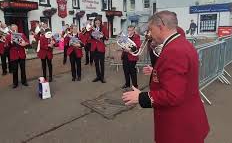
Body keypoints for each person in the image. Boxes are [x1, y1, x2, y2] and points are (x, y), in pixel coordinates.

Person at [122, 11, 209, 143]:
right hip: (188, 118)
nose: (150, 34)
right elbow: (179, 78)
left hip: (178, 126)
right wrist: (156, 72)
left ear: (161, 26)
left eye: (151, 29)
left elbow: (173, 95)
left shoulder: (173, 50)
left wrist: (141, 97)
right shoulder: (181, 43)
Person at [6, 24, 29, 88]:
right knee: (15, 70)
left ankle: (24, 81)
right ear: (11, 29)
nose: (15, 30)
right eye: (13, 29)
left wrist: (25, 44)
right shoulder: (8, 36)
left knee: (23, 69)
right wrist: (10, 42)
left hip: (21, 54)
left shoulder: (21, 35)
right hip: (14, 55)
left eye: (16, 28)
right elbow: (6, 47)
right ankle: (15, 83)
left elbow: (27, 42)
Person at [90, 17, 109, 83]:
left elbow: (107, 38)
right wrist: (91, 35)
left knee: (101, 63)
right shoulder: (91, 28)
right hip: (94, 48)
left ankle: (102, 77)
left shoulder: (103, 28)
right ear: (94, 22)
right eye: (96, 22)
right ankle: (98, 76)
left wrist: (102, 36)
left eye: (98, 22)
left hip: (101, 48)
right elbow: (89, 38)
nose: (97, 23)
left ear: (100, 22)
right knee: (96, 63)